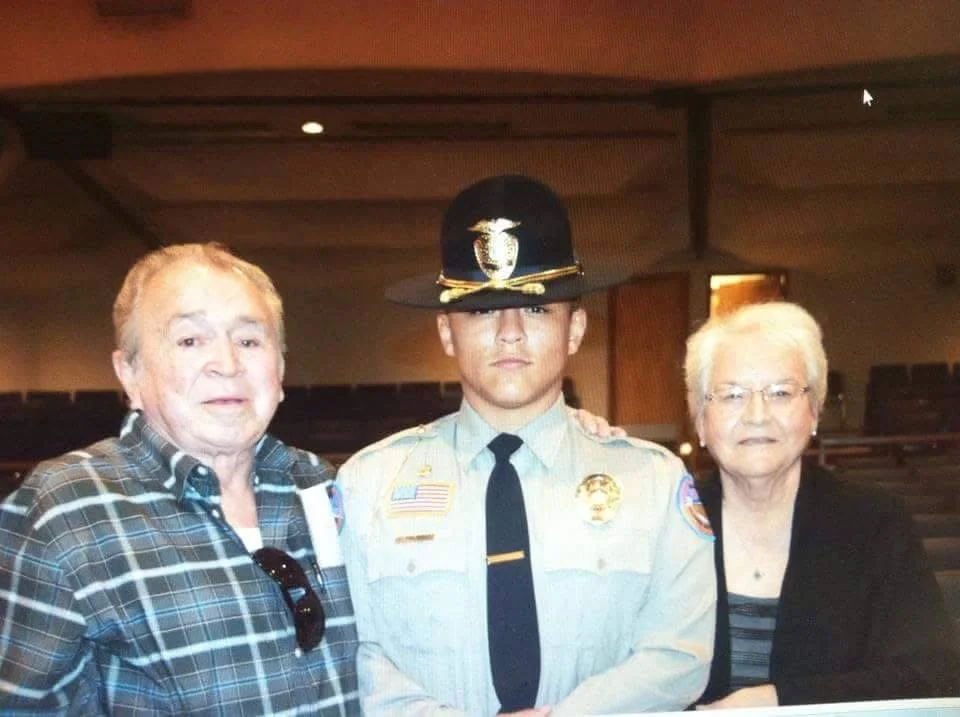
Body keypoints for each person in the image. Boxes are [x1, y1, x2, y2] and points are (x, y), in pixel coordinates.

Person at [338, 174, 717, 716]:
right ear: (446, 332)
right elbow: (356, 656)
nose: (509, 331)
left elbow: (679, 656)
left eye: (537, 309)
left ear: (575, 329)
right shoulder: (368, 486)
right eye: (482, 310)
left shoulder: (653, 484)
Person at [0, 244, 359, 715]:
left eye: (250, 341)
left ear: (281, 368)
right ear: (129, 373)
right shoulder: (63, 510)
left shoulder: (323, 485)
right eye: (190, 341)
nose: (227, 363)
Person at [685, 301, 960, 709]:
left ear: (813, 412)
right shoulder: (666, 523)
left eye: (781, 393)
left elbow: (934, 673)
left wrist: (781, 702)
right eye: (732, 395)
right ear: (700, 420)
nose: (757, 415)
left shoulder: (874, 522)